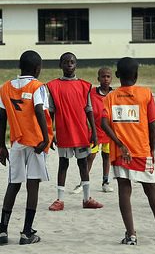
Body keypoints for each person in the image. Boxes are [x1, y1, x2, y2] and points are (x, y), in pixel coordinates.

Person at [101, 57, 155, 245]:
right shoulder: (145, 93)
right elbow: (153, 126)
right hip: (141, 151)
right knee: (151, 189)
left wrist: (119, 143)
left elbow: (103, 123)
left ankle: (131, 235)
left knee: (124, 189)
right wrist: (152, 150)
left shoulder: (110, 97)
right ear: (136, 75)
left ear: (117, 75)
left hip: (120, 153)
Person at [0, 50, 53, 245]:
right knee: (33, 186)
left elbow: (1, 117)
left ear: (19, 67)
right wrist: (46, 138)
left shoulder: (5, 88)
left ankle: (2, 230)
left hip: (16, 143)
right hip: (36, 143)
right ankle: (26, 232)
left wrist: (1, 146)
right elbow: (39, 110)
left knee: (13, 184)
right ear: (38, 68)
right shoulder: (37, 86)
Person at [47, 52, 103, 211]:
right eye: (66, 62)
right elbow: (50, 112)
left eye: (72, 62)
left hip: (81, 132)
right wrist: (50, 132)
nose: (69, 64)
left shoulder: (85, 86)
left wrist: (93, 131)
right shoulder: (53, 86)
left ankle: (87, 198)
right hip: (64, 132)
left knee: (83, 164)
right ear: (60, 65)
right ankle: (60, 200)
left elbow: (89, 110)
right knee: (63, 164)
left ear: (76, 64)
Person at [72, 67, 114, 193]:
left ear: (111, 79)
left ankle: (105, 182)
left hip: (109, 131)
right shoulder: (91, 93)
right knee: (90, 156)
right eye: (103, 76)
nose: (105, 79)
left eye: (108, 76)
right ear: (98, 78)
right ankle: (82, 183)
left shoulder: (114, 95)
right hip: (95, 131)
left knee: (107, 156)